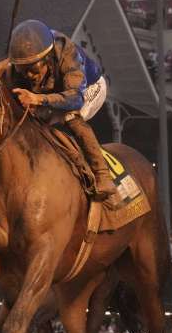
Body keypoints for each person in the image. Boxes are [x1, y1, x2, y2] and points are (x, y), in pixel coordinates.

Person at [8, 20, 119, 206]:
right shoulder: (19, 65)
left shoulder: (67, 53)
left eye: (33, 69)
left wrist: (38, 99)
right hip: (55, 92)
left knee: (70, 115)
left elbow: (76, 98)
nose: (28, 76)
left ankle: (103, 176)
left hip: (88, 88)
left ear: (47, 57)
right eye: (23, 69)